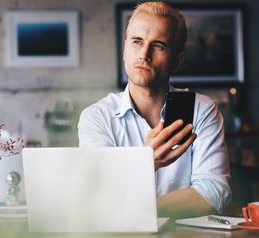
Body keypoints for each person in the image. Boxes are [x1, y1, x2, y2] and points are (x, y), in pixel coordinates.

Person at [78, 1, 231, 218]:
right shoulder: (97, 118)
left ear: (177, 62)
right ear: (125, 51)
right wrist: (146, 162)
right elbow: (100, 198)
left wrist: (138, 209)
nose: (144, 54)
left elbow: (214, 194)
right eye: (137, 42)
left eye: (158, 45)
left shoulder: (202, 110)